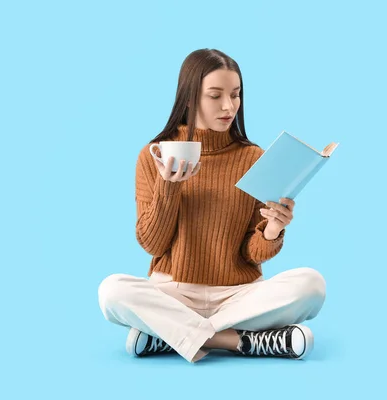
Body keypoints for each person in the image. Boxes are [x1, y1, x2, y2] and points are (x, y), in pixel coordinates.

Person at [98, 48, 326, 363]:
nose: (228, 106)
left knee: (312, 284)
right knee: (112, 292)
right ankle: (238, 341)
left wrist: (273, 229)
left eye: (235, 95)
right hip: (173, 293)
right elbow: (152, 243)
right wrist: (169, 185)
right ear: (189, 99)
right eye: (215, 95)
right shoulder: (153, 156)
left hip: (239, 296)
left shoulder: (253, 158)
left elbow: (251, 252)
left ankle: (170, 335)